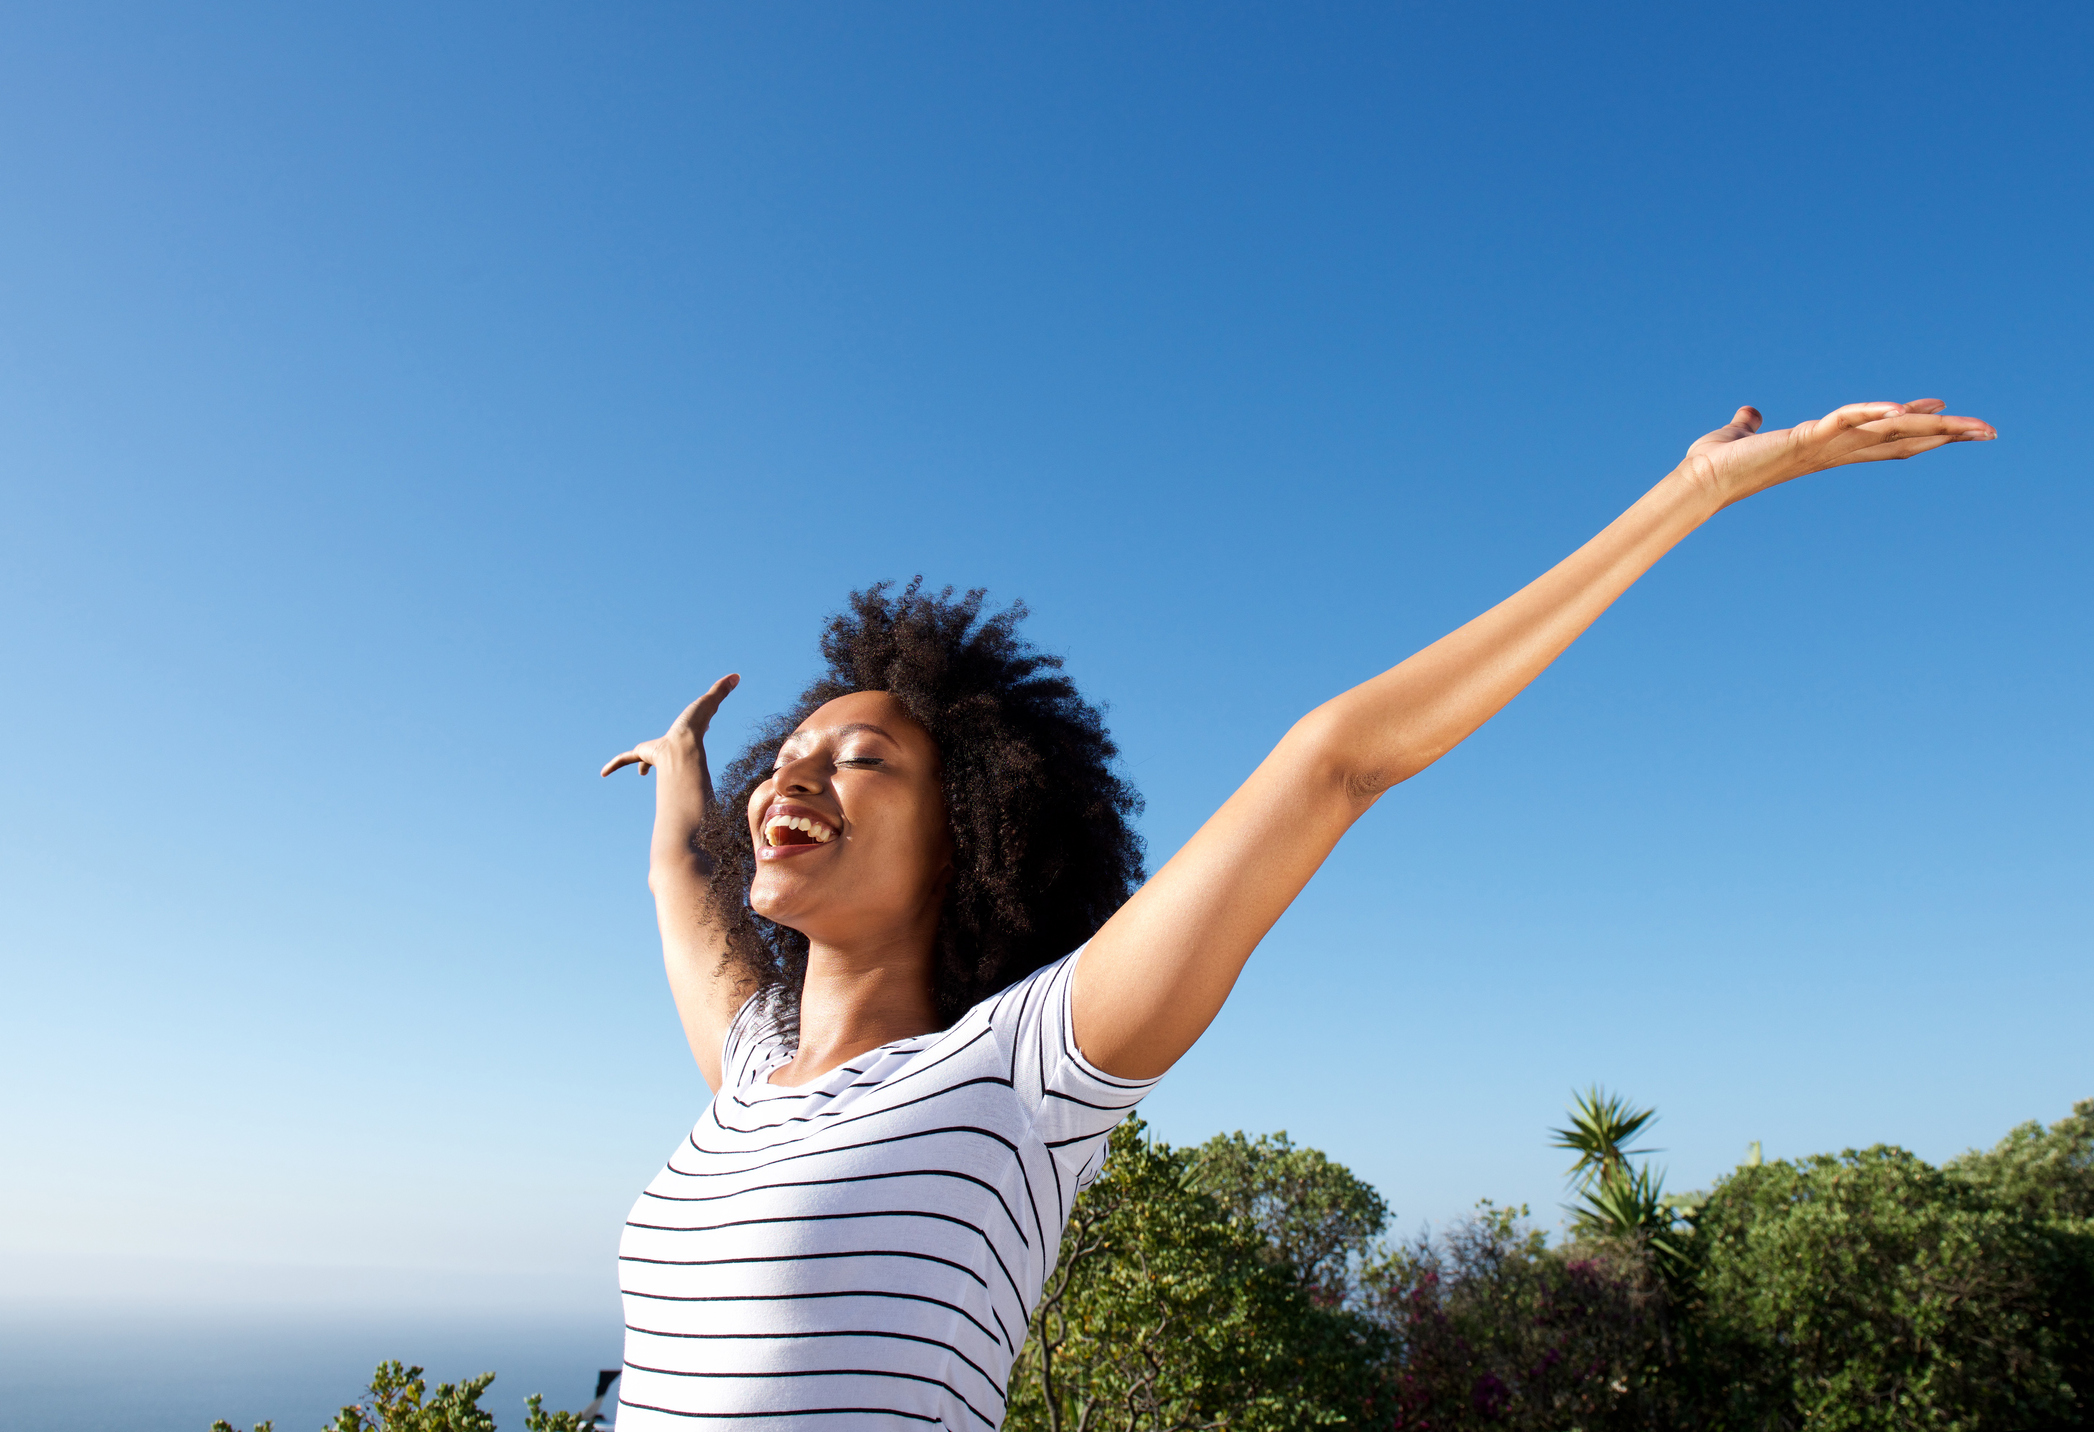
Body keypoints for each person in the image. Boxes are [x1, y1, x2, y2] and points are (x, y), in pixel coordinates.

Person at [600, 399, 1993, 1430]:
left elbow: (1334, 762)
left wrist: (1688, 493)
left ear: (968, 838)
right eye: (789, 757)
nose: (796, 772)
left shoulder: (1017, 1074)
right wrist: (683, 771)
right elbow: (683, 888)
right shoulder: (748, 1064)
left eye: (861, 759)